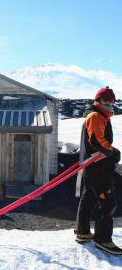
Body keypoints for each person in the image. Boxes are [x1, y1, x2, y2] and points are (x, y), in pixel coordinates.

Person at [75, 86, 122, 255]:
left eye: (111, 100)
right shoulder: (96, 116)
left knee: (88, 198)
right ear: (98, 100)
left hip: (91, 165)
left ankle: (82, 231)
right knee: (108, 202)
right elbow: (97, 141)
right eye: (105, 100)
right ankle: (103, 240)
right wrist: (114, 153)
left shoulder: (100, 115)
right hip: (98, 167)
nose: (109, 103)